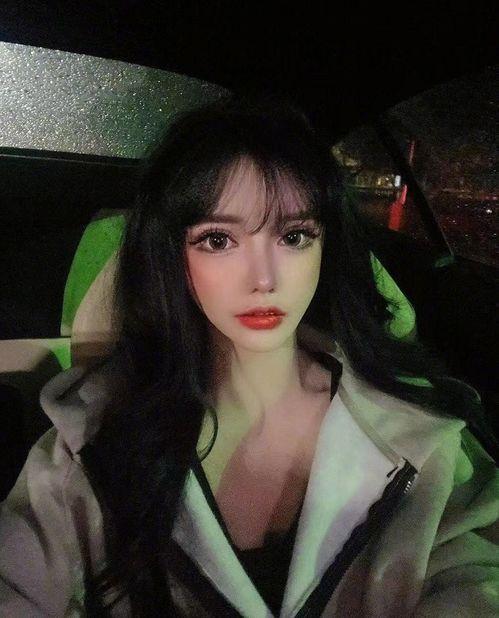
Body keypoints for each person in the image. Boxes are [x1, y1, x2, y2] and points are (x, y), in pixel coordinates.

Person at [1, 94, 498, 617]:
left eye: (294, 236)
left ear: (326, 248)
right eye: (218, 240)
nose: (263, 279)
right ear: (173, 257)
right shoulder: (88, 445)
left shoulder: (423, 436)